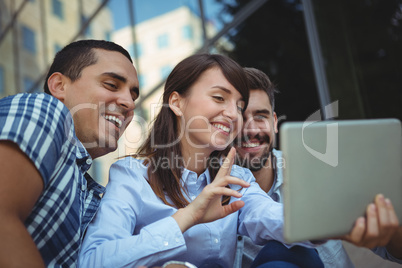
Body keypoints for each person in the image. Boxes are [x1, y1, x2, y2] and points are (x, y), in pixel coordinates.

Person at [79, 53, 324, 268]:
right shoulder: (132, 174)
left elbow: (269, 216)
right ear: (176, 102)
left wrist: (335, 223)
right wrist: (188, 216)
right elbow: (93, 260)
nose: (232, 114)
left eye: (239, 106)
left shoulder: (235, 178)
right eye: (219, 98)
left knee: (291, 253)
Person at [233, 67, 402, 267]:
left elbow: (393, 251)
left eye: (261, 116)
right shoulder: (215, 193)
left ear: (275, 122)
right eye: (240, 117)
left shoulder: (319, 172)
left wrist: (389, 229)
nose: (251, 129)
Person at [0, 39, 139, 267]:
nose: (129, 103)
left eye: (133, 96)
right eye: (112, 85)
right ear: (59, 86)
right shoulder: (45, 109)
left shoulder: (87, 189)